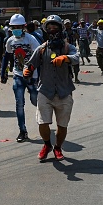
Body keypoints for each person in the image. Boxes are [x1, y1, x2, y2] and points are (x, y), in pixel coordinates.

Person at [24, 15, 79, 162]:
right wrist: (27, 70)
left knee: (62, 125)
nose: (52, 30)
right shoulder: (41, 49)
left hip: (64, 92)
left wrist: (66, 58)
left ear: (61, 29)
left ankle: (58, 147)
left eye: (55, 27)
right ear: (46, 31)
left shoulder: (68, 47)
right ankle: (47, 145)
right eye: (49, 28)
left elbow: (77, 57)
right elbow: (30, 64)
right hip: (45, 92)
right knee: (43, 122)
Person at [1, 14, 41, 142]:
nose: (16, 29)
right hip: (18, 75)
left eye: (19, 27)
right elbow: (7, 57)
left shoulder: (31, 39)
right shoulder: (10, 41)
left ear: (23, 27)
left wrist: (38, 74)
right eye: (14, 27)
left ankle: (43, 116)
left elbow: (39, 56)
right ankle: (22, 131)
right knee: (19, 104)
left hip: (31, 75)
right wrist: (3, 73)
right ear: (11, 28)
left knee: (35, 100)